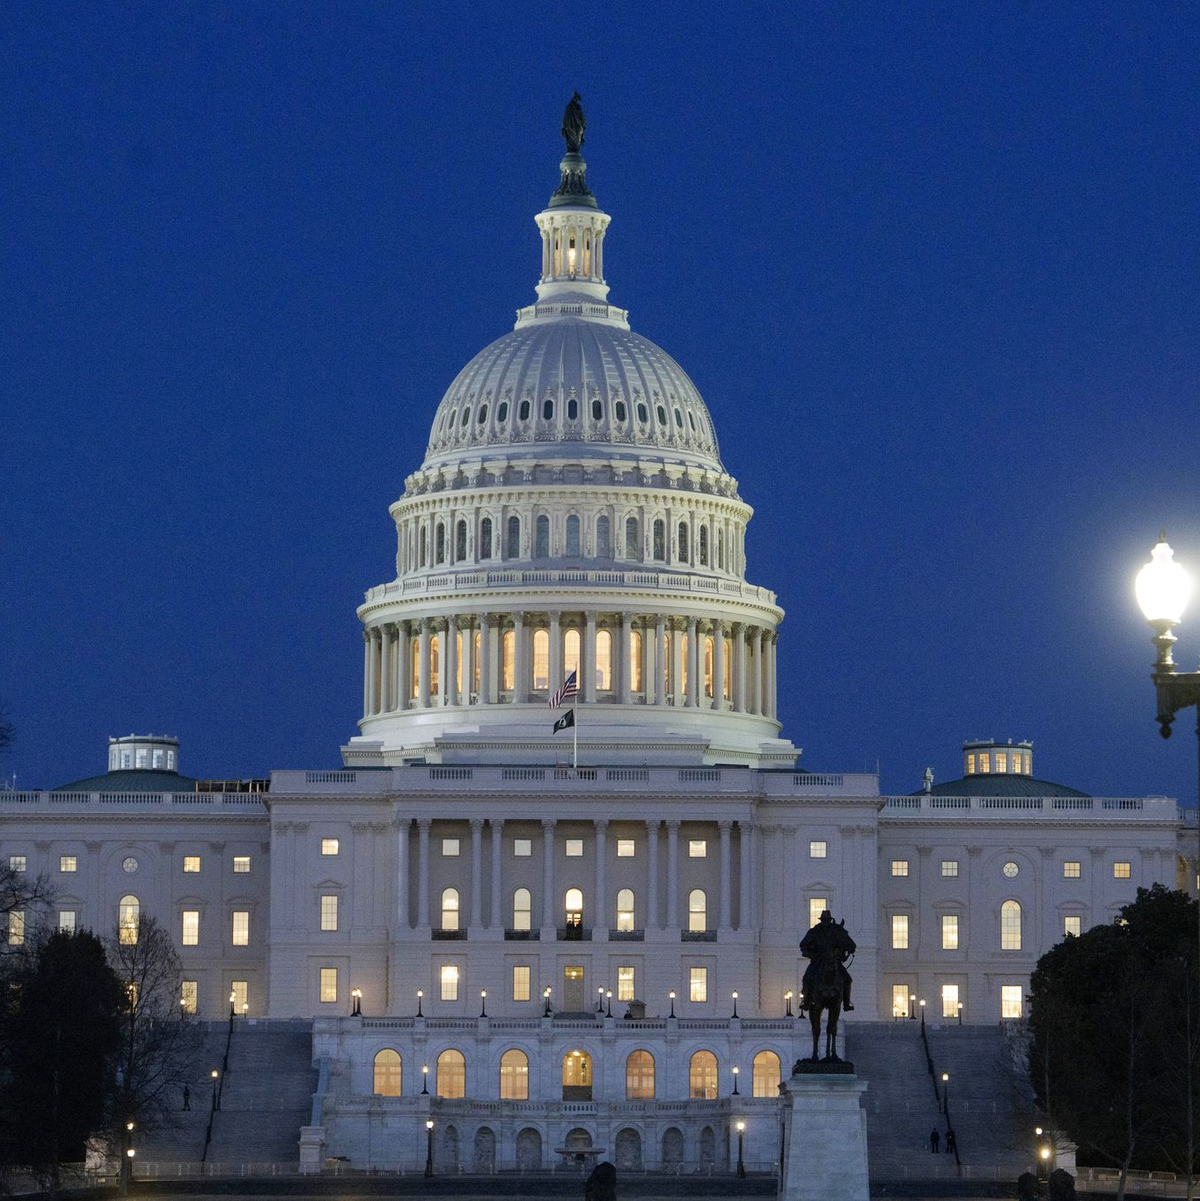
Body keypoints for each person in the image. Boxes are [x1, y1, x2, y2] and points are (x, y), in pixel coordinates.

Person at [799, 910, 855, 1011]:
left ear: (830, 920)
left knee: (847, 979)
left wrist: (848, 948)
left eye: (827, 920)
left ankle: (846, 1003)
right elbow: (803, 945)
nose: (826, 922)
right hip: (817, 962)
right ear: (821, 920)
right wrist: (812, 955)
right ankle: (806, 1001)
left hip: (834, 962)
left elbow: (849, 943)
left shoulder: (836, 930)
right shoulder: (815, 931)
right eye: (824, 920)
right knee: (807, 978)